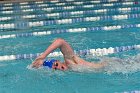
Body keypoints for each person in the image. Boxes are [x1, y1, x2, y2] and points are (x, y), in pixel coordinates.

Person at [32, 38, 107, 71]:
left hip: (109, 65)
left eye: (56, 64)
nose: (58, 68)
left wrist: (43, 56)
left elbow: (60, 41)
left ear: (58, 61)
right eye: (55, 68)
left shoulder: (69, 61)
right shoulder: (70, 69)